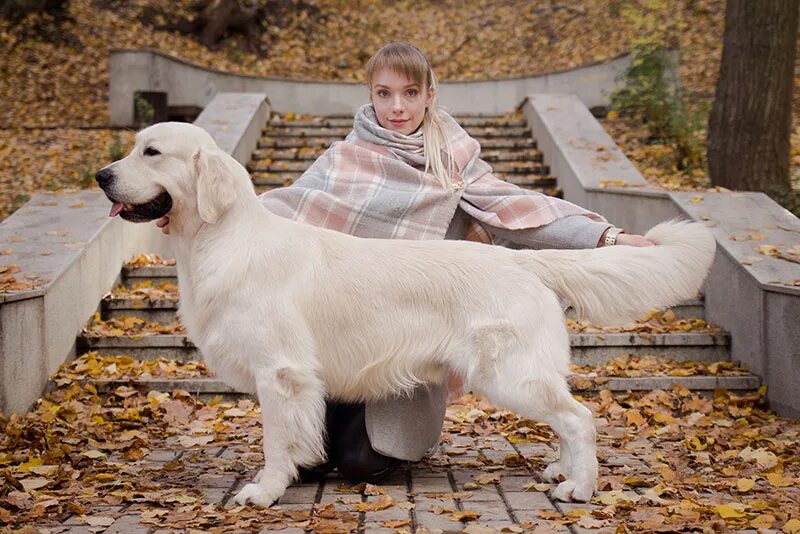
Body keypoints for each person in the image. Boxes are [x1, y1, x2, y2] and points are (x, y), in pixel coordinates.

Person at [155, 42, 654, 484]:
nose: (397, 107)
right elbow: (274, 214)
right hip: (338, 334)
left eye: (410, 93)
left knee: (359, 464)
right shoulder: (342, 159)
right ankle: (301, 447)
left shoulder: (454, 165)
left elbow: (521, 213)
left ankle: (565, 443)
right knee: (307, 460)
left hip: (413, 340)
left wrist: (606, 236)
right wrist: (190, 207)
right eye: (384, 93)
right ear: (370, 95)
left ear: (429, 95)